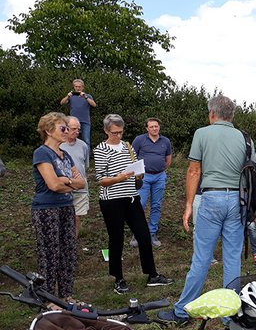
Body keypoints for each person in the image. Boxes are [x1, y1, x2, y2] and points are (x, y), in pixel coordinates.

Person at [158, 94, 252, 325]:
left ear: (212, 114)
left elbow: (193, 171)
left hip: (211, 198)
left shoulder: (202, 133)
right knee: (232, 259)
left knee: (201, 257)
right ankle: (230, 315)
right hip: (238, 201)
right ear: (231, 115)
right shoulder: (244, 137)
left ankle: (182, 311)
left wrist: (189, 205)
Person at [93, 114, 173, 295]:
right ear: (106, 131)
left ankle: (152, 275)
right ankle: (118, 278)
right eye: (114, 133)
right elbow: (101, 180)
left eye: (121, 132)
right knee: (117, 238)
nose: (118, 136)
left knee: (144, 236)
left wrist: (139, 174)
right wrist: (119, 178)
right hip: (111, 200)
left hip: (131, 197)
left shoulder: (128, 146)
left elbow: (136, 168)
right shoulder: (100, 150)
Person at [32, 112, 86, 305]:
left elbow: (82, 182)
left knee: (68, 251)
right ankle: (47, 299)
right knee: (50, 252)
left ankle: (66, 295)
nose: (66, 132)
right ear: (48, 130)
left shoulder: (66, 155)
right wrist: (68, 182)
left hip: (66, 206)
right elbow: (53, 185)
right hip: (46, 209)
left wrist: (66, 181)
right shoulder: (42, 153)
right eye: (62, 128)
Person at [130, 117, 173, 248]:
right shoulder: (139, 140)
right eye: (151, 126)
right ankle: (137, 234)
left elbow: (168, 160)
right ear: (147, 128)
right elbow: (132, 156)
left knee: (156, 205)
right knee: (140, 205)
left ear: (159, 127)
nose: (154, 128)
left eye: (156, 126)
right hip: (144, 177)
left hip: (159, 177)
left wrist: (159, 170)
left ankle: (152, 233)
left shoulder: (165, 141)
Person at [59, 116, 89, 237]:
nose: (76, 131)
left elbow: (85, 165)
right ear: (65, 128)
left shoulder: (83, 145)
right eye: (73, 129)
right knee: (63, 217)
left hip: (80, 187)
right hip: (63, 187)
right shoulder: (58, 145)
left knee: (76, 217)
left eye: (78, 129)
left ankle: (73, 242)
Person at [60, 79, 97, 152]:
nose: (78, 88)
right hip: (72, 123)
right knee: (70, 139)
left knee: (86, 141)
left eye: (79, 87)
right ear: (74, 87)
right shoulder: (71, 96)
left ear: (83, 87)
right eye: (76, 86)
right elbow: (62, 103)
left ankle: (86, 160)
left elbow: (94, 105)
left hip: (85, 121)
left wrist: (85, 97)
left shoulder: (87, 96)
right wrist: (67, 96)